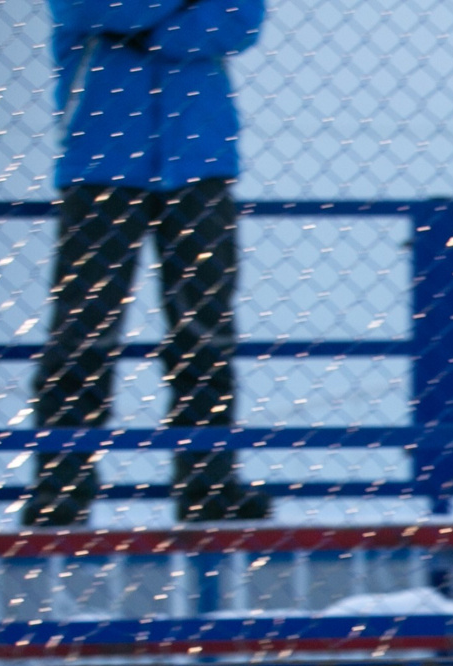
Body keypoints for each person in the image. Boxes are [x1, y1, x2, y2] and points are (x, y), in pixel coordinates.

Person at [24, 0, 270, 529]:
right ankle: (61, 486)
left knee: (205, 329)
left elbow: (241, 18)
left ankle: (208, 483)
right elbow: (89, 8)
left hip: (198, 161)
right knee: (84, 330)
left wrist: (149, 32)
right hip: (102, 161)